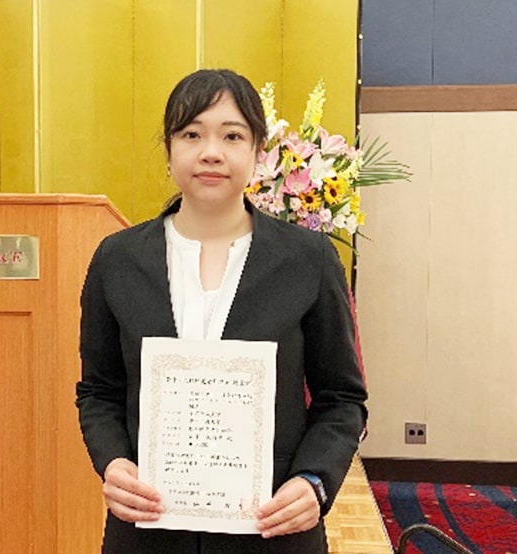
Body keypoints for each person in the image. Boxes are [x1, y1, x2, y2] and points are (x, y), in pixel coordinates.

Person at [75, 68, 367, 554]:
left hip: (272, 532)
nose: (211, 152)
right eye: (192, 134)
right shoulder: (117, 260)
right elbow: (99, 391)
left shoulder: (308, 260)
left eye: (232, 136)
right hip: (148, 533)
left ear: (257, 151)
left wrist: (314, 482)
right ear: (169, 149)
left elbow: (342, 399)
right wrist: (113, 462)